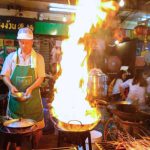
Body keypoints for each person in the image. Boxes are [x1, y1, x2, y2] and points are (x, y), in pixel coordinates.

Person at [0, 27, 45, 149]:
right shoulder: (11, 57)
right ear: (18, 41)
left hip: (33, 103)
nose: (24, 45)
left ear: (32, 41)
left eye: (26, 42)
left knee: (37, 129)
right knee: (14, 133)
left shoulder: (39, 58)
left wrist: (30, 88)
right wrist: (10, 86)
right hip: (15, 103)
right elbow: (4, 75)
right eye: (21, 42)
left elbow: (41, 77)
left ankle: (35, 146)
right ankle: (17, 146)